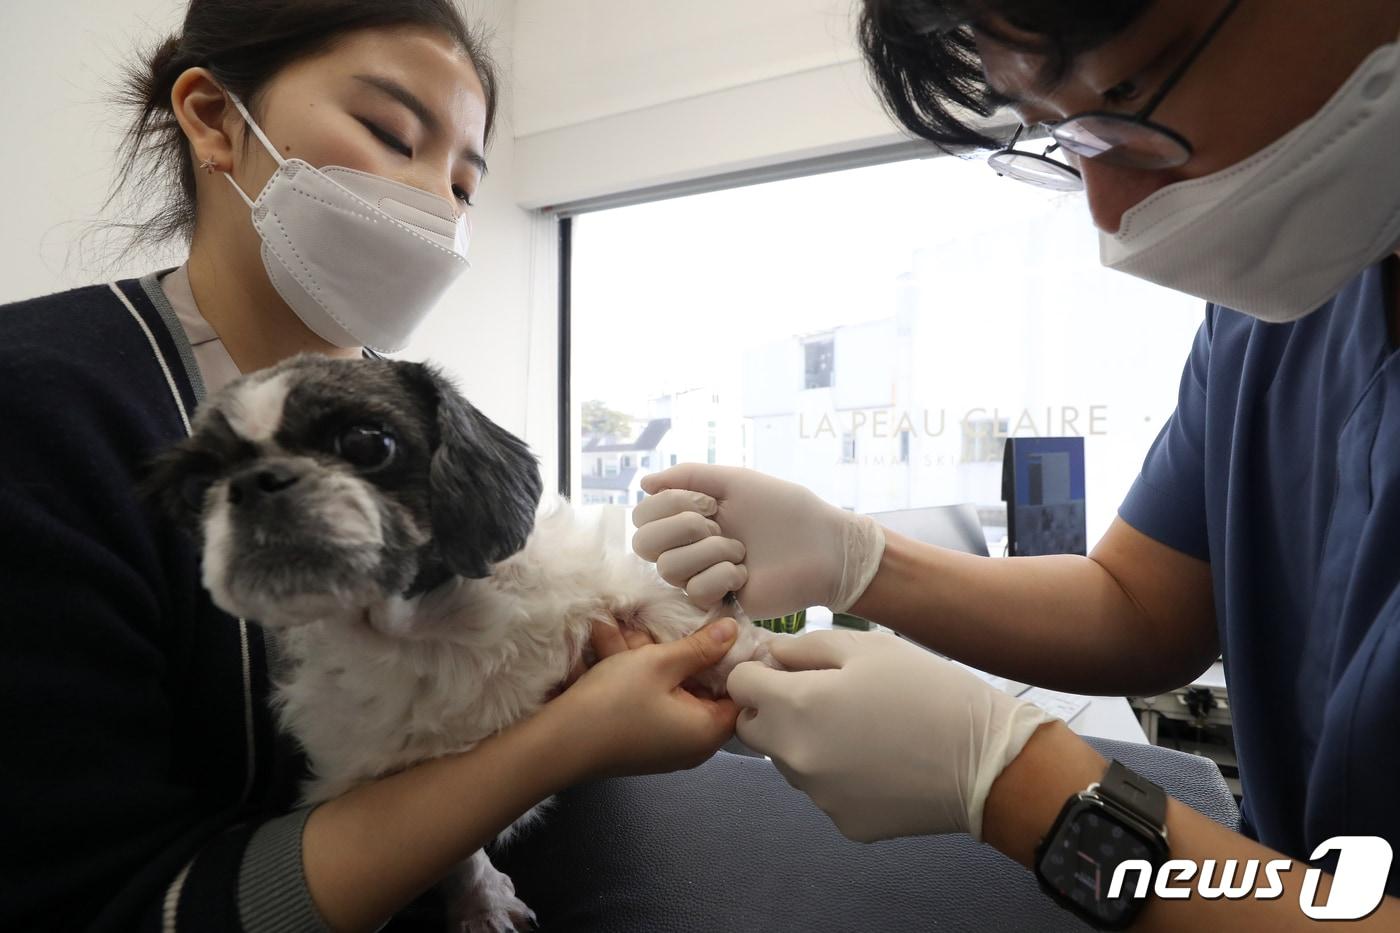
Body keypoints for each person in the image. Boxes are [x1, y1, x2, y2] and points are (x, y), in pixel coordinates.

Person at [631, 0, 1400, 928]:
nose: (1110, 212)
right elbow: (1139, 604)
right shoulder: (1276, 313)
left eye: (1127, 93)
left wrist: (1016, 784)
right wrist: (857, 558)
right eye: (1063, 138)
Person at [0, 2, 741, 931]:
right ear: (214, 118)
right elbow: (101, 899)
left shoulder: (427, 421)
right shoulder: (39, 401)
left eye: (464, 186)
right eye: (392, 134)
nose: (434, 202)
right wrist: (560, 743)